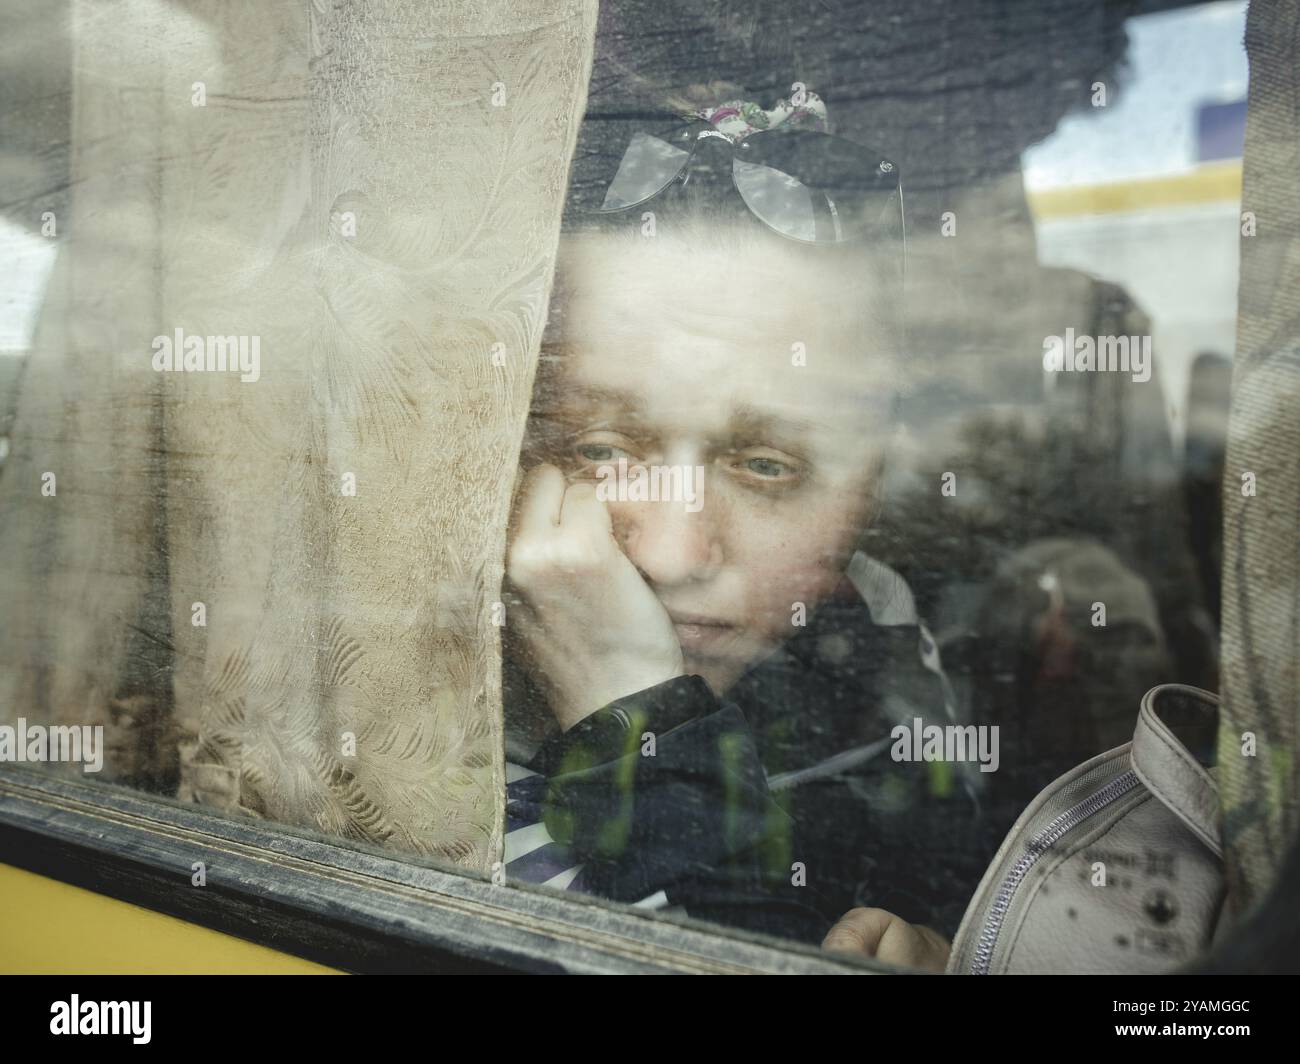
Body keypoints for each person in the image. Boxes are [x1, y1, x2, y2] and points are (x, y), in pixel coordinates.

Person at [500, 92, 995, 966]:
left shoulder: (868, 623)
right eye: (600, 447)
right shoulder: (393, 694)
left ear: (873, 487)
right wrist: (639, 723)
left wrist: (936, 947)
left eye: (769, 466)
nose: (672, 553)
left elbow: (944, 878)